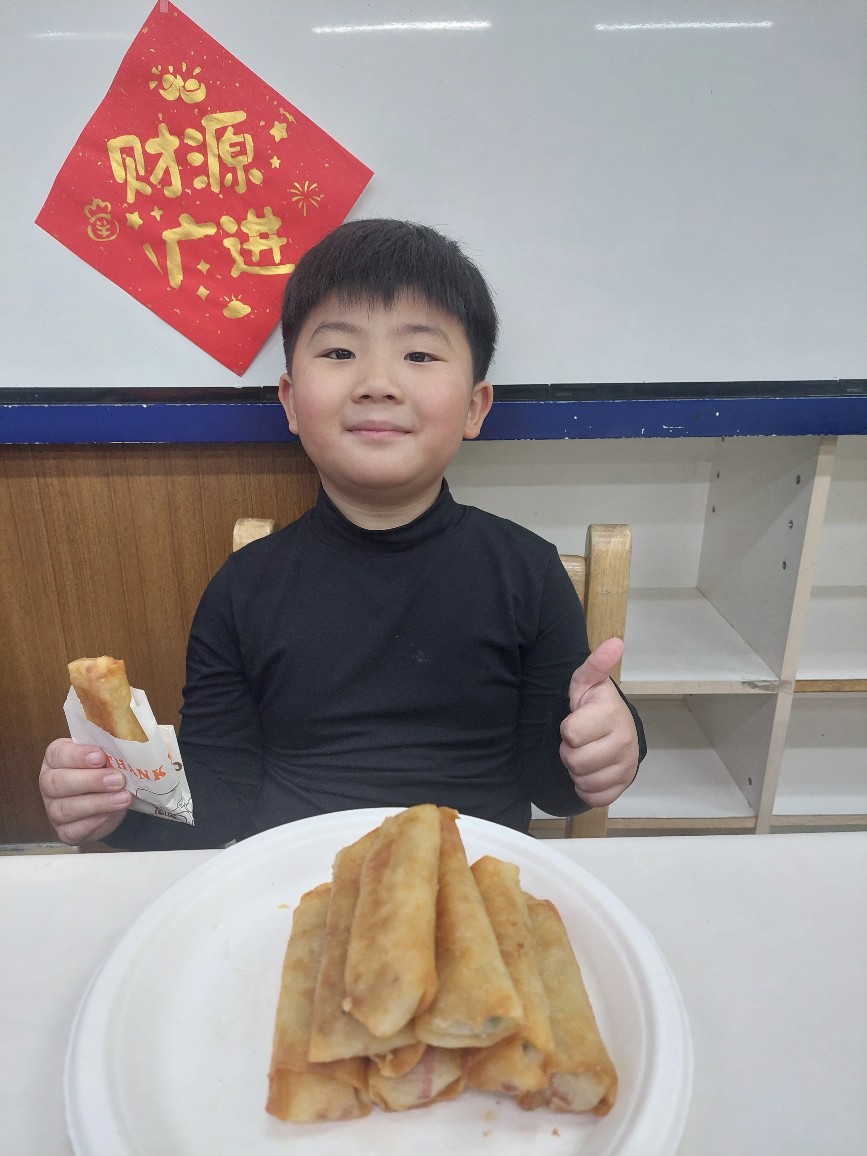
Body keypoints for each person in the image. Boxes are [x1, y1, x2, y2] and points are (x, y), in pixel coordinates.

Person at [39, 219, 645, 850]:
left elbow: (555, 787)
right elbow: (218, 803)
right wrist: (116, 809)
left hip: (469, 882)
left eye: (419, 355)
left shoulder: (527, 573)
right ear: (290, 401)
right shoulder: (244, 588)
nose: (377, 384)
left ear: (475, 406)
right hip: (296, 881)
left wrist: (608, 744)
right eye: (338, 353)